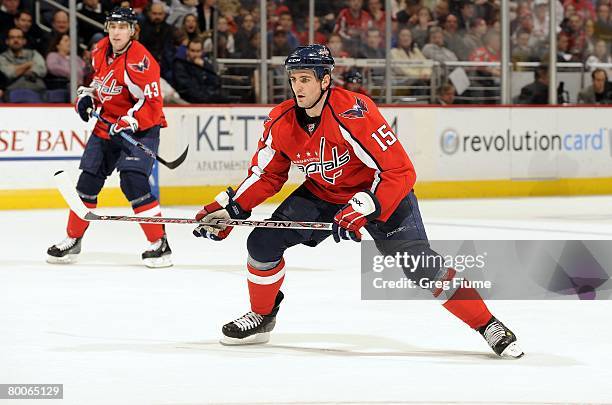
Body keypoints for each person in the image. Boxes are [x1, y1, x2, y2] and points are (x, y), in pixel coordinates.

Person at [192, 44, 524, 359]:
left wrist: (367, 206)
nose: (298, 87)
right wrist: (231, 209)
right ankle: (262, 316)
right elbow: (267, 175)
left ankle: (487, 324)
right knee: (262, 244)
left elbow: (399, 171)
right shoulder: (281, 120)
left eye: (306, 79)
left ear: (325, 80)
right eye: (293, 79)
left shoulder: (354, 111)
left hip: (380, 192)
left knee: (420, 264)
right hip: (324, 194)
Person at [47, 7, 172, 268]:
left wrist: (129, 122)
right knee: (87, 183)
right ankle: (73, 239)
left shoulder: (141, 60)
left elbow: (152, 102)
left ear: (132, 30)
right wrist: (87, 97)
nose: (116, 32)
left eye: (122, 27)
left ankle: (159, 244)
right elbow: (101, 85)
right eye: (113, 26)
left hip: (140, 128)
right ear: (107, 28)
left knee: (133, 181)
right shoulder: (99, 50)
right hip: (107, 127)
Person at [0, 27, 47, 94]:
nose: (16, 40)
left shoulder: (33, 53)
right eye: (12, 37)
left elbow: (42, 69)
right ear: (7, 41)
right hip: (14, 92)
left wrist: (18, 69)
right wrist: (29, 64)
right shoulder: (2, 57)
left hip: (38, 89)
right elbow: (10, 73)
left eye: (19, 37)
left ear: (24, 41)